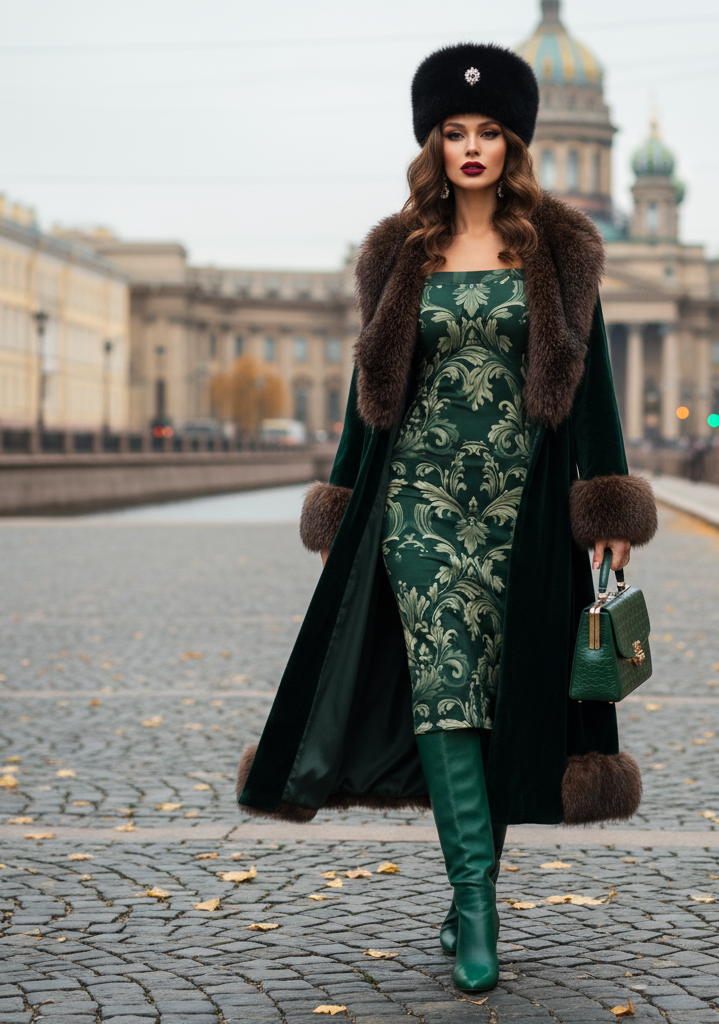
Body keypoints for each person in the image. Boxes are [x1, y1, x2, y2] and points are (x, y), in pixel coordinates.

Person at [235, 42, 657, 993]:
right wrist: (343, 502)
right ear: (434, 142)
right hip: (419, 501)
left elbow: (594, 390)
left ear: (516, 142)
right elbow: (368, 393)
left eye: (490, 132)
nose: (472, 148)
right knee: (446, 685)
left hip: (522, 503)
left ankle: (477, 883)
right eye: (454, 132)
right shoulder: (398, 250)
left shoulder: (562, 249)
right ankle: (477, 906)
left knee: (501, 696)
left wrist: (609, 498)